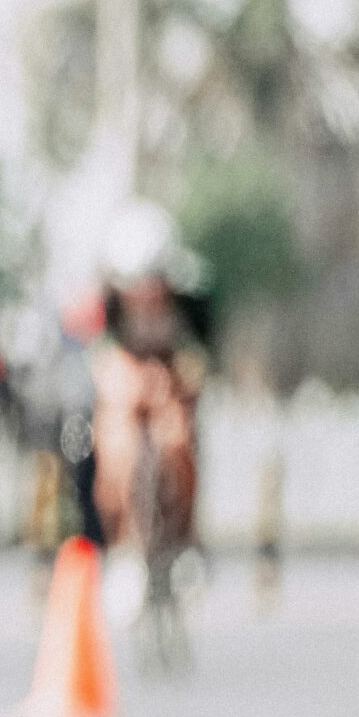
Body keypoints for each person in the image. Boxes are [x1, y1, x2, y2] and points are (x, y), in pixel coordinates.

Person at [89, 200, 211, 552]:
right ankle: (121, 537)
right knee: (118, 447)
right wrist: (129, 386)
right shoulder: (109, 302)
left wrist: (175, 382)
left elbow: (197, 360)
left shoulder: (190, 301)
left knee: (177, 439)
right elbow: (102, 359)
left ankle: (184, 536)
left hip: (169, 377)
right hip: (125, 376)